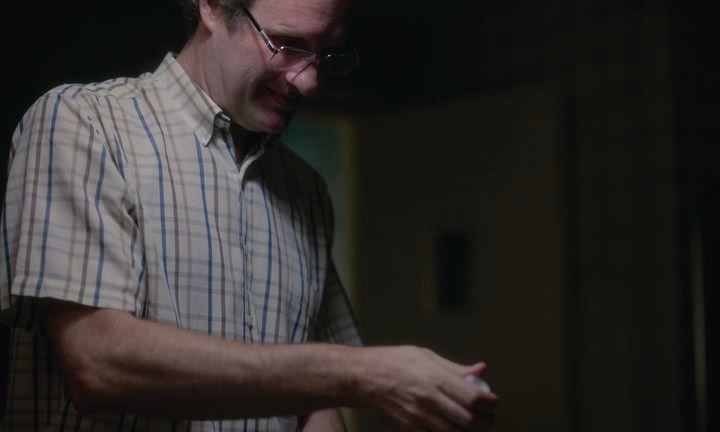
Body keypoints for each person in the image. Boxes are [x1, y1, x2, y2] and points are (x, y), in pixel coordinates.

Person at [0, 0, 499, 431]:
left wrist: (352, 384)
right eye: (287, 44)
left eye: (328, 53)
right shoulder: (84, 124)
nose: (309, 80)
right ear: (213, 6)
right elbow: (97, 362)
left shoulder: (305, 189)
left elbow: (315, 406)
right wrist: (363, 372)